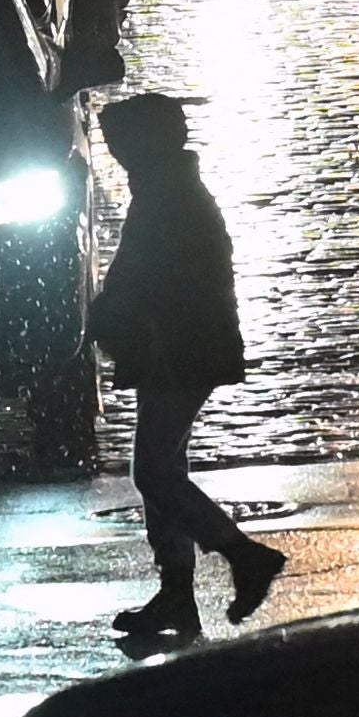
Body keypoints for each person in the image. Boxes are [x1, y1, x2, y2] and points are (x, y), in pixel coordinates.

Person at [87, 92, 284, 640]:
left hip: (178, 349)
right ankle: (177, 595)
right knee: (163, 471)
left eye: (120, 141)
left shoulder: (168, 199)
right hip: (174, 348)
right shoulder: (167, 191)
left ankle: (242, 556)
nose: (115, 152)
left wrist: (117, 319)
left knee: (154, 471)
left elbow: (162, 282)